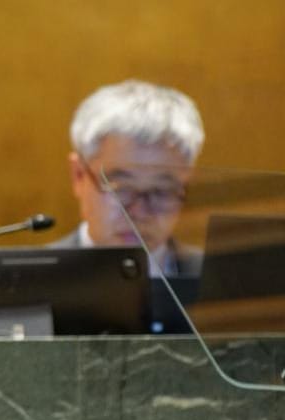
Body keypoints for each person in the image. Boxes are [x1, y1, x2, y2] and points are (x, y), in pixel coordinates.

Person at [53, 79, 205, 277]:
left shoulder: (226, 283)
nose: (139, 212)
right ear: (79, 176)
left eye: (161, 191)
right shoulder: (29, 283)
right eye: (121, 188)